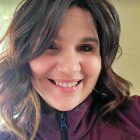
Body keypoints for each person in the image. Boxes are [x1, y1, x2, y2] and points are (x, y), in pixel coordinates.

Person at [0, 0, 140, 140]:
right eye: (50, 45)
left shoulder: (135, 116)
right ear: (23, 55)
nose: (69, 68)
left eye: (85, 47)